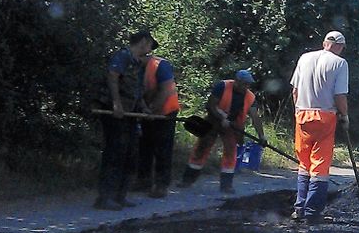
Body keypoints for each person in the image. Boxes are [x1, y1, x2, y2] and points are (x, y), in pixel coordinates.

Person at [289, 31, 349, 221]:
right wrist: (345, 116)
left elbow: (295, 90)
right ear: (340, 46)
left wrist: (298, 111)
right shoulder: (340, 63)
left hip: (302, 114)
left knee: (304, 163)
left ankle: (299, 208)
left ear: (324, 43)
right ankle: (312, 212)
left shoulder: (304, 58)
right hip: (325, 116)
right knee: (320, 165)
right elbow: (340, 96)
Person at [94, 29, 157, 210]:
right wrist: (116, 104)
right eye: (150, 44)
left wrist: (144, 108)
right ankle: (105, 197)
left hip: (130, 113)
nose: (150, 48)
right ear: (144, 41)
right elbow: (112, 78)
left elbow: (136, 90)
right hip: (115, 113)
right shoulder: (122, 56)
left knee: (130, 154)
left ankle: (120, 195)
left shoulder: (138, 64)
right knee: (115, 153)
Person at [179, 69, 266, 194]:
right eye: (244, 84)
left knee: (231, 151)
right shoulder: (222, 86)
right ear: (237, 81)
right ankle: (187, 180)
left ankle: (226, 185)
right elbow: (211, 105)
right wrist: (221, 117)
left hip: (232, 126)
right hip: (212, 121)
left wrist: (261, 136)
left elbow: (255, 117)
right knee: (202, 148)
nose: (246, 87)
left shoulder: (250, 97)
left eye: (248, 84)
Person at [135, 53, 180, 198]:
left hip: (166, 111)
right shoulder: (136, 67)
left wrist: (153, 110)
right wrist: (144, 109)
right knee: (145, 145)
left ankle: (162, 185)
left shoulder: (160, 65)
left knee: (163, 148)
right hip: (149, 110)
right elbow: (138, 92)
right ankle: (143, 180)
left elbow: (165, 91)